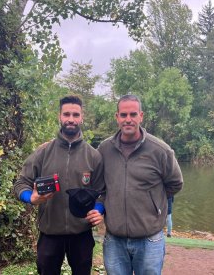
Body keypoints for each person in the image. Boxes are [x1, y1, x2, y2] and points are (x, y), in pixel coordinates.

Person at [13, 95, 105, 275]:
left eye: (76, 115)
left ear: (82, 117)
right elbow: (20, 183)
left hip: (82, 234)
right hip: (49, 234)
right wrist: (30, 198)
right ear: (59, 116)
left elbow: (102, 192)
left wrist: (98, 210)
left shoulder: (94, 156)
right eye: (67, 114)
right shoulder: (43, 152)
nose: (71, 119)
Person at [97, 94, 183, 275]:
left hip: (149, 240)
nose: (128, 119)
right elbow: (100, 187)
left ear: (141, 116)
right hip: (114, 240)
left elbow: (175, 184)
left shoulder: (160, 150)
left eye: (133, 114)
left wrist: (152, 202)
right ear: (117, 117)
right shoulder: (104, 149)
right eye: (123, 115)